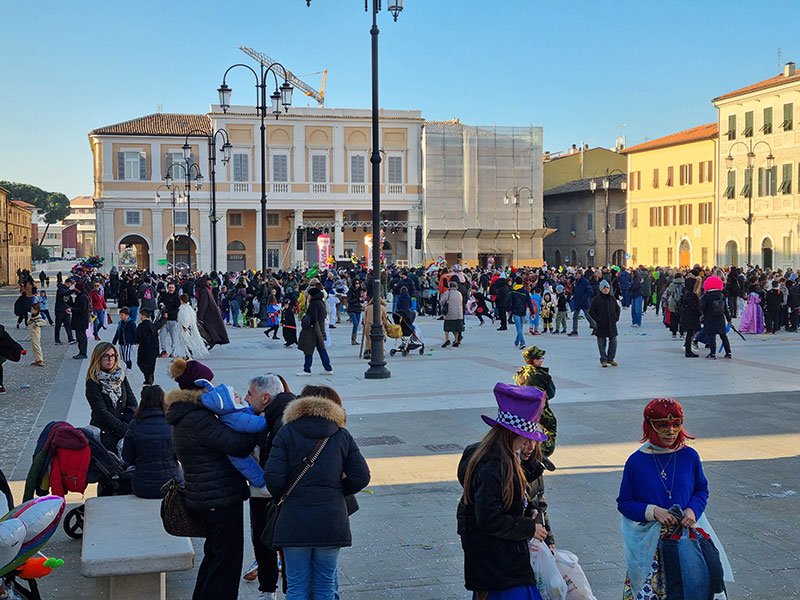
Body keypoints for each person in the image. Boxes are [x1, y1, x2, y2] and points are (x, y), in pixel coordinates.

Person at [617, 398, 731, 599]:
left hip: (688, 541)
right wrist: (653, 511)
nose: (670, 431)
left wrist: (693, 510)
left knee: (695, 589)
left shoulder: (690, 456)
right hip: (652, 547)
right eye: (662, 425)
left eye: (675, 424)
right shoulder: (636, 461)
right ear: (650, 426)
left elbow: (701, 489)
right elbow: (625, 502)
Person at [265, 387, 371, 600]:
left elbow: (273, 480)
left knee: (296, 586)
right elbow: (361, 476)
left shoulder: (286, 433)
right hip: (331, 520)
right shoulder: (341, 435)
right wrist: (336, 492)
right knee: (325, 585)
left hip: (293, 520)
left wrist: (287, 495)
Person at [165, 359, 256, 600]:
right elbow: (238, 445)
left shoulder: (184, 415)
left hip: (206, 495)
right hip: (219, 497)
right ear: (200, 387)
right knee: (226, 562)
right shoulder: (198, 418)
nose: (214, 386)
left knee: (215, 557)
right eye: (210, 381)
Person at [457, 382, 549, 599]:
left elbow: (504, 503)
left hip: (499, 565)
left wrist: (529, 510)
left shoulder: (506, 458)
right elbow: (489, 519)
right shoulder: (493, 466)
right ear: (512, 435)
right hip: (499, 569)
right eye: (527, 439)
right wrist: (528, 528)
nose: (530, 445)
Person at [242, 374, 296, 599]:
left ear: (265, 397)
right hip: (266, 491)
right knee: (265, 541)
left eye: (249, 393)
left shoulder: (281, 420)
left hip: (274, 493)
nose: (245, 398)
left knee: (274, 541)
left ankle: (276, 590)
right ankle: (269, 588)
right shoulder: (267, 416)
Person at [121, 385, 182, 499]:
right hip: (173, 484)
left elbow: (127, 457)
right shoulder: (172, 424)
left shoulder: (135, 425)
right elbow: (180, 455)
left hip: (144, 487)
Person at [85, 342, 137, 453]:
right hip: (105, 434)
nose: (110, 359)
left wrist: (130, 422)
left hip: (124, 431)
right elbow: (101, 412)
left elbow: (132, 402)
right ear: (98, 357)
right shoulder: (93, 382)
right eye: (106, 356)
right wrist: (125, 429)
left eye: (113, 355)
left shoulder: (120, 376)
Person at [513, 346, 557, 458]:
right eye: (541, 358)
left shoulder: (521, 372)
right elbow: (551, 393)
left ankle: (523, 450)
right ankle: (543, 452)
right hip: (539, 408)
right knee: (550, 427)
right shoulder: (542, 375)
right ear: (535, 360)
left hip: (523, 408)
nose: (542, 360)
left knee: (526, 430)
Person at [297, 287, 333, 376]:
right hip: (320, 327)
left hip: (313, 329)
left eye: (308, 295)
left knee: (308, 349)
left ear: (311, 295)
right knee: (321, 349)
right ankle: (328, 368)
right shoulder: (321, 302)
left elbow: (313, 317)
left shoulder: (313, 304)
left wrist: (306, 319)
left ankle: (307, 369)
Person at [589, 279, 621, 367]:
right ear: (600, 289)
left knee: (613, 342)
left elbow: (617, 309)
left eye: (607, 288)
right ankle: (603, 359)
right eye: (604, 288)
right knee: (601, 343)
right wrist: (598, 320)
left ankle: (611, 358)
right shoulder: (596, 299)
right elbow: (591, 311)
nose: (606, 289)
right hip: (601, 325)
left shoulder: (612, 299)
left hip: (611, 324)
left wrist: (616, 318)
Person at [699, 275, 732, 359]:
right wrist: (729, 319)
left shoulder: (706, 296)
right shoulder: (721, 295)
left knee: (712, 336)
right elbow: (725, 308)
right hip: (720, 318)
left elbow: (701, 306)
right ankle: (728, 352)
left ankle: (712, 353)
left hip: (710, 318)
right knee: (723, 336)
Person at [196, 276, 230, 347]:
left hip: (208, 313)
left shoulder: (204, 291)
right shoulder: (206, 290)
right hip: (209, 312)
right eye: (209, 281)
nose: (210, 282)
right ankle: (213, 340)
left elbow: (203, 304)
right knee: (210, 328)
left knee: (209, 328)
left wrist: (200, 317)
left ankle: (212, 340)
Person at [178, 293, 208, 358]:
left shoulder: (183, 308)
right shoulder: (189, 307)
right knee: (187, 341)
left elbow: (186, 317)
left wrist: (185, 325)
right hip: (190, 327)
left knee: (185, 341)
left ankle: (187, 354)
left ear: (181, 300)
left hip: (185, 328)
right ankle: (187, 354)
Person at [679, 277, 702, 358]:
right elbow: (694, 307)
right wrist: (699, 313)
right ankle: (688, 351)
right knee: (690, 334)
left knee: (690, 334)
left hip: (688, 316)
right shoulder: (691, 295)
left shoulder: (687, 293)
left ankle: (688, 350)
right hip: (691, 317)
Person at [361, 292, 388, 361]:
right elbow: (385, 320)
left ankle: (367, 351)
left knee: (368, 339)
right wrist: (386, 327)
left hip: (368, 326)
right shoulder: (382, 308)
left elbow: (364, 320)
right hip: (379, 327)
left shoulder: (367, 307)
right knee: (381, 339)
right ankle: (380, 351)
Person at [568, 269, 596, 336]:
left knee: (588, 315)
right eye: (576, 274)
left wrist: (584, 298)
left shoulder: (585, 281)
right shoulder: (577, 282)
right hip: (577, 301)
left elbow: (589, 291)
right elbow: (576, 291)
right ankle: (575, 330)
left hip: (583, 301)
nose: (576, 275)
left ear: (581, 274)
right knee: (575, 316)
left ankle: (596, 327)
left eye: (577, 274)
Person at [136, 309, 159, 385]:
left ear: (143, 315)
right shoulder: (153, 326)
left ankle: (148, 376)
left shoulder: (141, 326)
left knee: (140, 363)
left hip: (144, 348)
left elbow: (138, 337)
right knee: (151, 364)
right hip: (153, 348)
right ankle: (149, 377)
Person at [157, 282, 181, 357]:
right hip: (164, 320)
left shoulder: (177, 297)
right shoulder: (164, 296)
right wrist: (160, 306)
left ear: (174, 288)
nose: (171, 289)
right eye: (169, 287)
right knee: (162, 335)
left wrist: (169, 314)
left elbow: (178, 309)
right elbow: (159, 303)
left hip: (173, 320)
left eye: (172, 287)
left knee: (174, 337)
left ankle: (174, 351)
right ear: (167, 288)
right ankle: (164, 350)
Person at [440, 280, 465, 348]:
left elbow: (442, 302)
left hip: (449, 313)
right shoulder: (459, 293)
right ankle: (456, 341)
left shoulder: (447, 293)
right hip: (458, 313)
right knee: (456, 328)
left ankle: (447, 339)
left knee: (447, 327)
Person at [70, 281, 91, 359]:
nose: (74, 290)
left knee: (81, 337)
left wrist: (72, 309)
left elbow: (82, 309)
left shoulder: (83, 297)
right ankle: (81, 352)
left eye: (76, 288)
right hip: (79, 320)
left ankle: (83, 353)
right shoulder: (80, 296)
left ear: (79, 289)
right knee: (80, 337)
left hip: (81, 321)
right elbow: (76, 305)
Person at [54, 278, 75, 345]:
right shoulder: (60, 289)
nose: (70, 285)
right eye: (70, 284)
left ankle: (70, 338)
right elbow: (64, 293)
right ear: (67, 282)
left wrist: (73, 307)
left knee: (68, 324)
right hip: (59, 310)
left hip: (66, 310)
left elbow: (70, 301)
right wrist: (74, 290)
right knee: (58, 325)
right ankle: (57, 340)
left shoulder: (68, 290)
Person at [346, 279, 364, 346]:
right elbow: (349, 301)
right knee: (355, 323)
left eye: (359, 283)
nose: (358, 284)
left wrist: (362, 299)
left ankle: (355, 339)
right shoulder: (350, 291)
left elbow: (361, 301)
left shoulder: (360, 291)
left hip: (358, 309)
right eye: (356, 283)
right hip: (352, 309)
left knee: (357, 323)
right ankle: (353, 340)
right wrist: (358, 299)